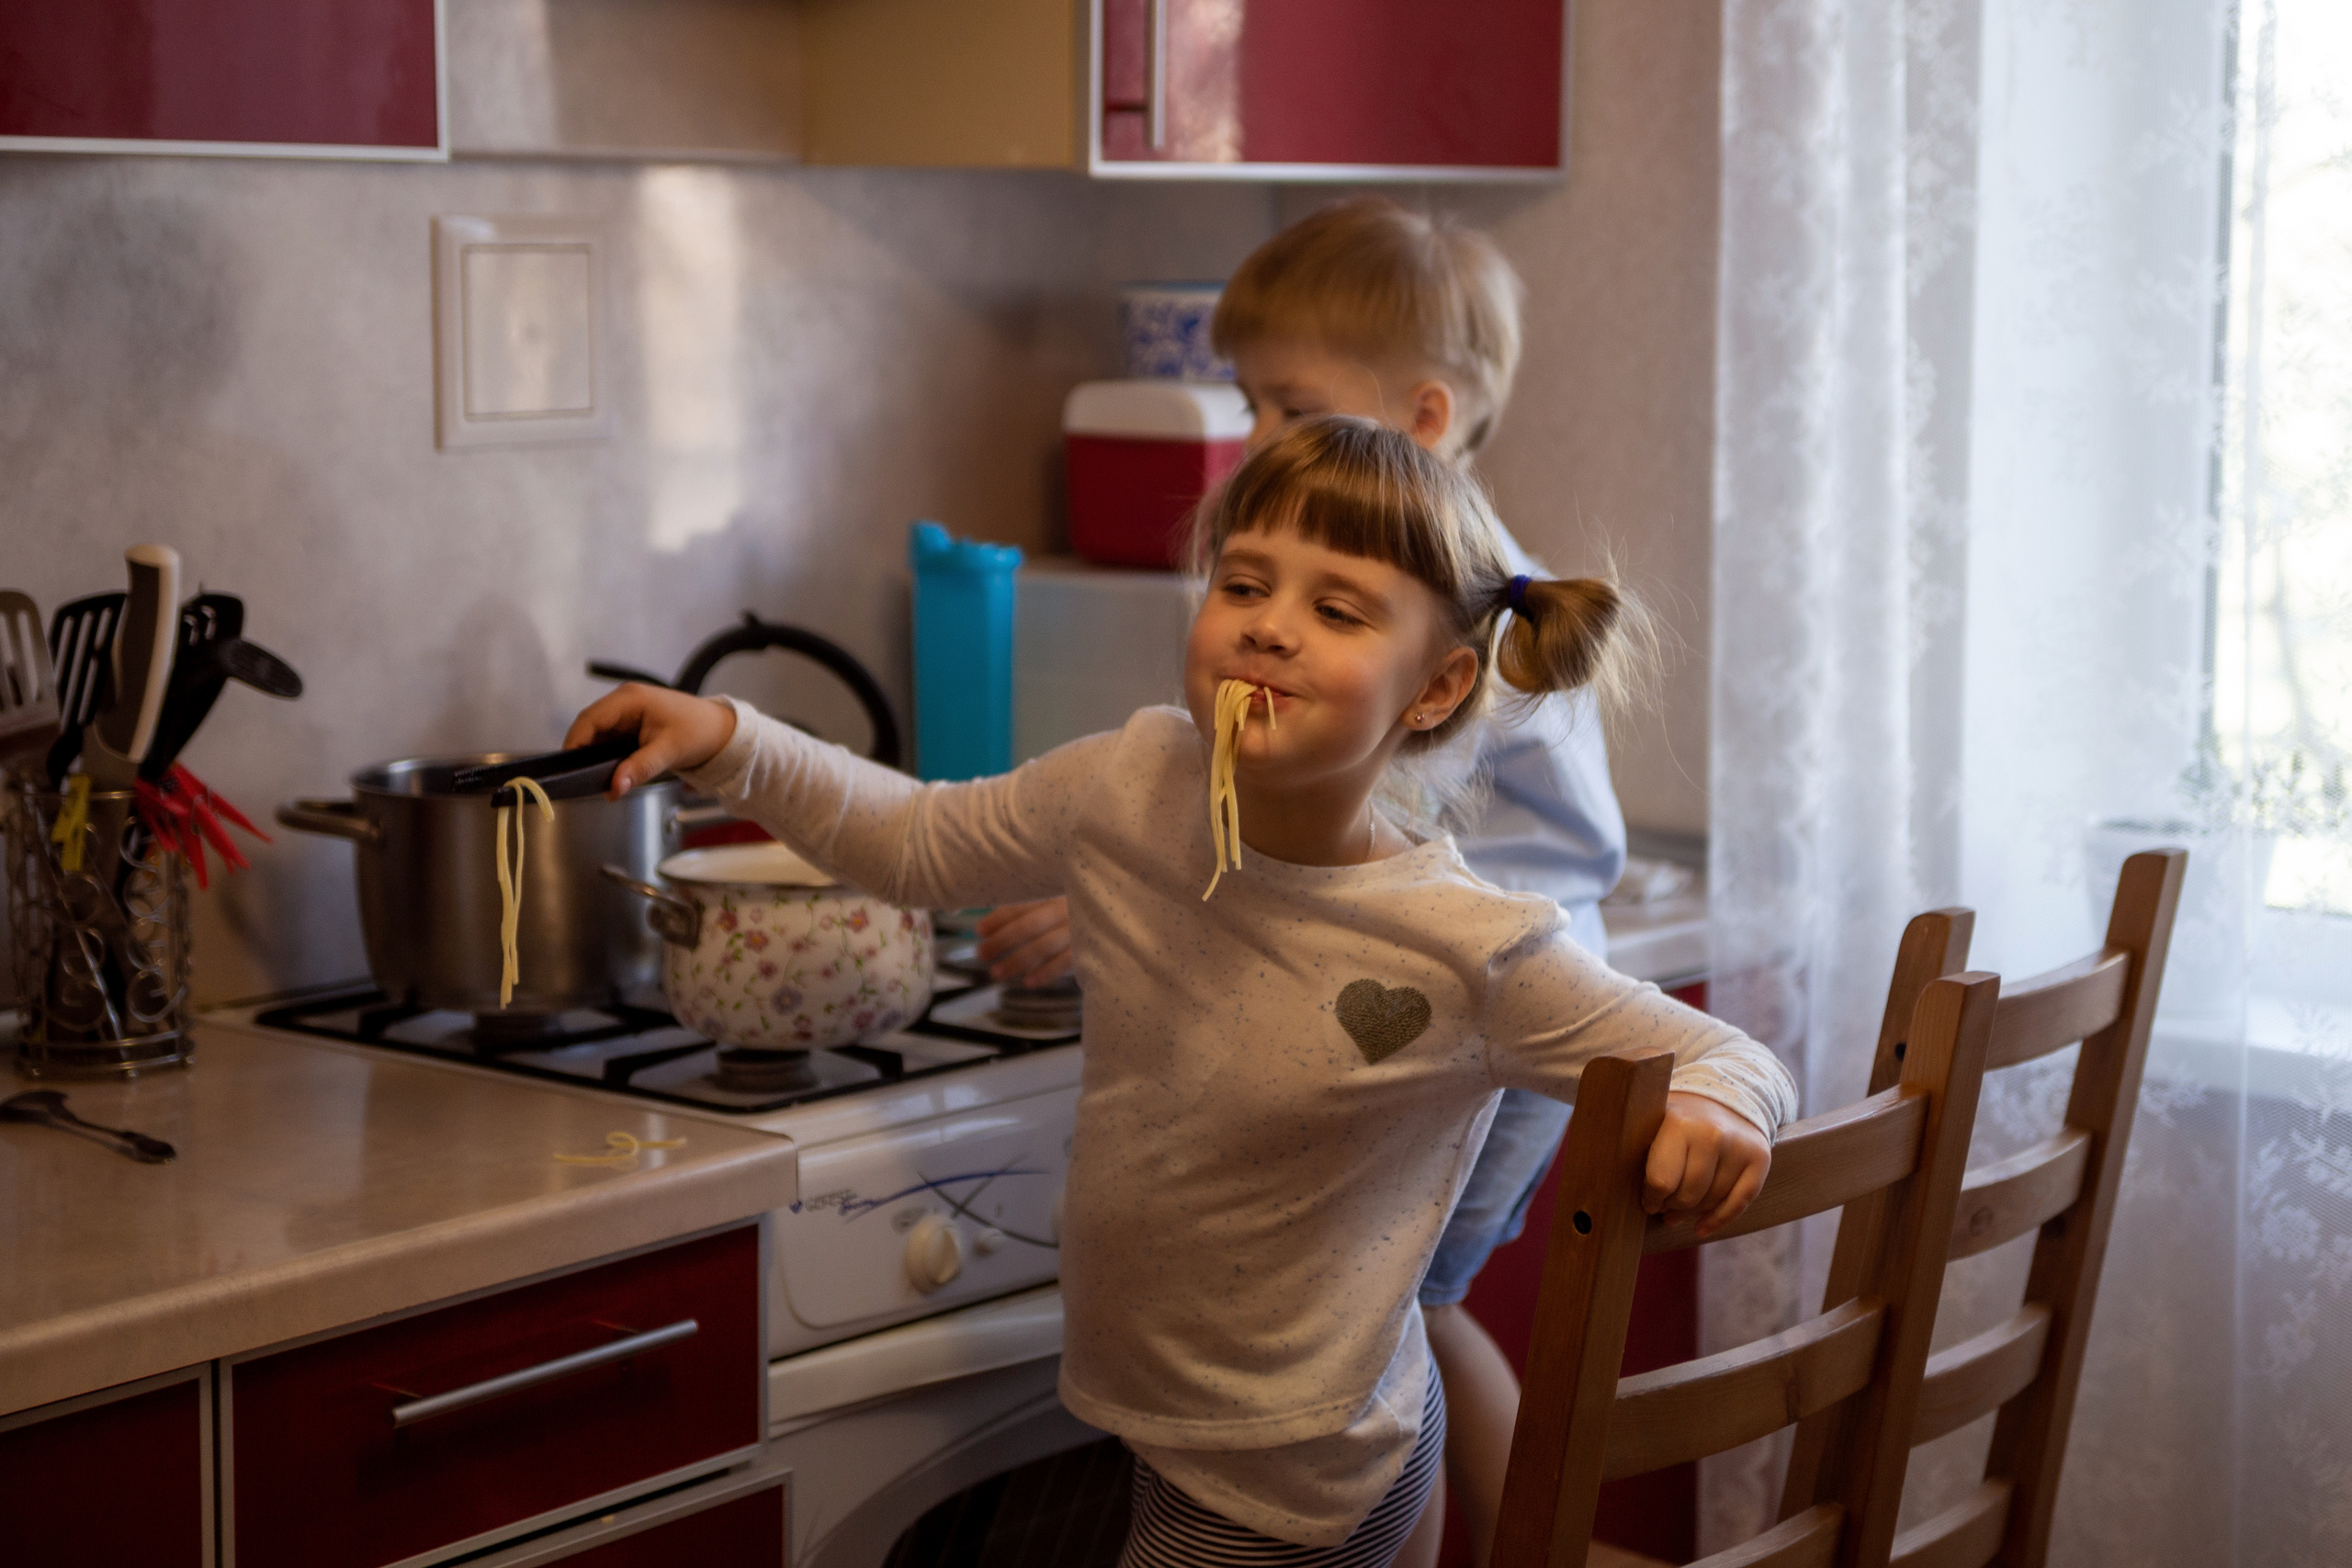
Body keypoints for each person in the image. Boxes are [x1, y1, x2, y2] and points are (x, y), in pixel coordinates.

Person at [571, 418, 1794, 1568]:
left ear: (1434, 689)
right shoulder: (1135, 782)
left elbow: (1725, 1055)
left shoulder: (1466, 946)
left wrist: (1721, 1108)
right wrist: (728, 736)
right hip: (1214, 1428)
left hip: (1290, 1478)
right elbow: (918, 841)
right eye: (1243, 585)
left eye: (1336, 609)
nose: (1268, 628)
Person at [976, 198, 1625, 1564]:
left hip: (1496, 1029)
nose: (1259, 433)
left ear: (1424, 416)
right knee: (1400, 1334)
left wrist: (1133, 898)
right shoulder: (1406, 588)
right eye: (1250, 399)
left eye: (1289, 402)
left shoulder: (1453, 617)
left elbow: (1373, 865)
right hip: (1475, 1016)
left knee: (1408, 1322)